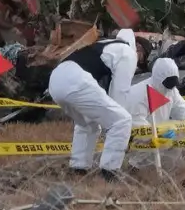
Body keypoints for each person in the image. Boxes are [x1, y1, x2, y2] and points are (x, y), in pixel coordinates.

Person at [48, 28, 138, 178]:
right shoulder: (127, 52)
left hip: (56, 80)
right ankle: (110, 172)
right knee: (122, 120)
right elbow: (120, 94)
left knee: (87, 123)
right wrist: (121, 135)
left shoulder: (103, 45)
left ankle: (78, 168)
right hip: (75, 80)